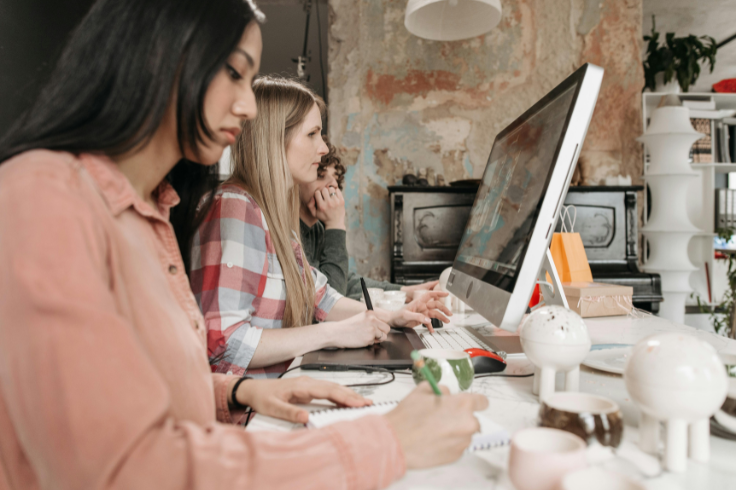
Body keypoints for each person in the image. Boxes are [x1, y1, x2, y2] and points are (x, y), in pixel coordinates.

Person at [0, 1, 488, 489]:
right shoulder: (44, 197)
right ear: (158, 57)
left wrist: (237, 392)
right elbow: (119, 465)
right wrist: (387, 443)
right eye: (234, 72)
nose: (249, 105)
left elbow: (139, 390)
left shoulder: (151, 213)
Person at [189, 76, 451, 377]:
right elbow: (224, 343)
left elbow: (320, 295)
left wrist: (394, 316)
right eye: (312, 134)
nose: (324, 147)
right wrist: (333, 333)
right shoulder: (234, 209)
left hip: (288, 387)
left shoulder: (270, 213)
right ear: (275, 138)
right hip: (251, 414)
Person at [299, 143, 440, 300]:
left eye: (336, 180)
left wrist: (404, 292)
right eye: (320, 175)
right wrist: (335, 225)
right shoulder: (289, 232)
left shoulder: (317, 229)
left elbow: (345, 282)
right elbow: (330, 302)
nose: (333, 185)